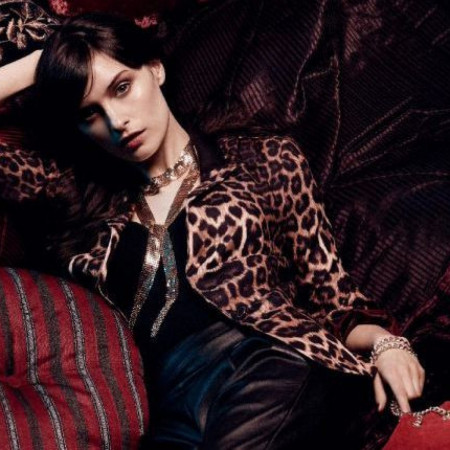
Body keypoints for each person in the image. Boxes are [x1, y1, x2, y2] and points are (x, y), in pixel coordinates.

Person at [0, 12, 425, 449]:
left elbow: (333, 299)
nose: (116, 121)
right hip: (170, 406)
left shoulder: (263, 162)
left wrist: (387, 345)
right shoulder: (82, 201)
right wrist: (44, 61)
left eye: (122, 87)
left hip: (268, 362)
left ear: (155, 69)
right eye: (90, 113)